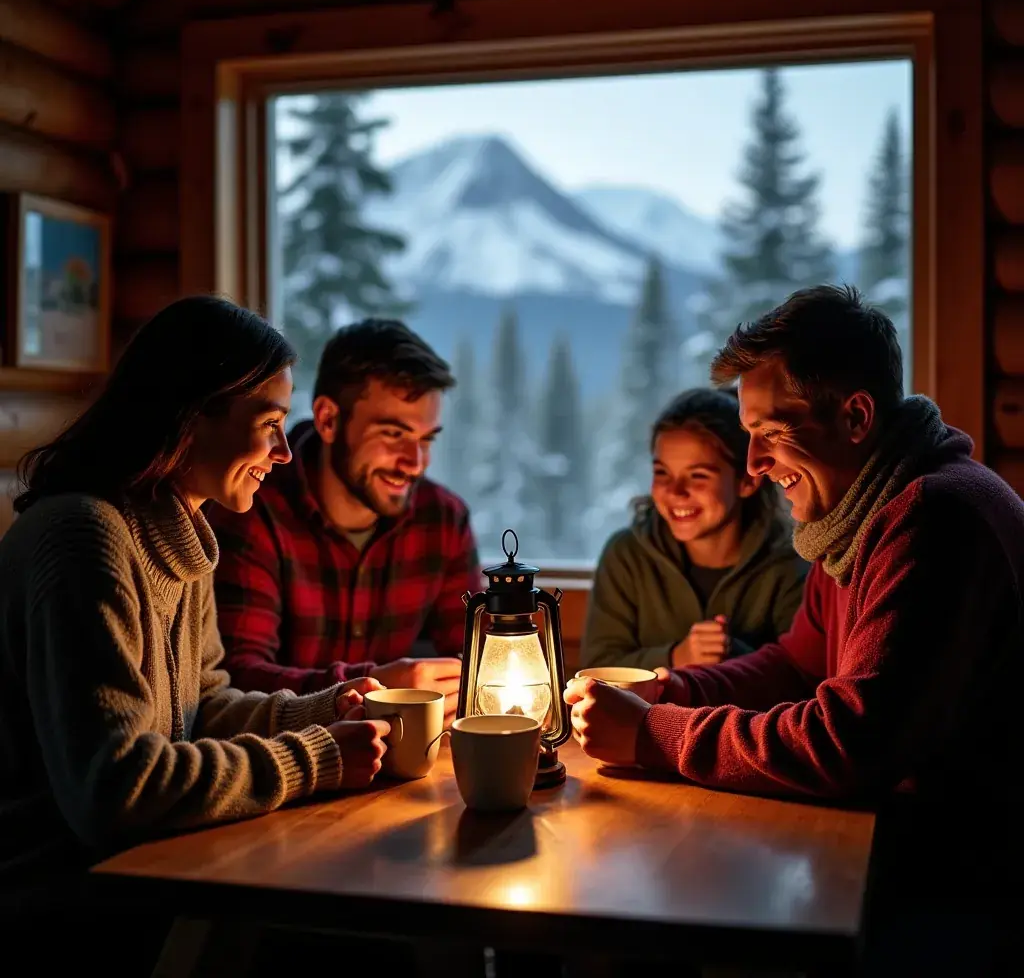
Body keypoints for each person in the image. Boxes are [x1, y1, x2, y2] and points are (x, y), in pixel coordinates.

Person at [565, 285, 1024, 972]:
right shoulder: (854, 518)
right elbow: (795, 664)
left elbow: (851, 742)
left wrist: (653, 735)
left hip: (968, 882)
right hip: (910, 854)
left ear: (857, 415)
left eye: (770, 433)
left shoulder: (933, 519)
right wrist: (670, 689)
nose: (754, 465)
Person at [0, 295, 391, 889]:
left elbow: (201, 711)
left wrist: (326, 708)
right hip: (61, 892)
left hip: (152, 870)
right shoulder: (84, 540)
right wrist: (318, 757)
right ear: (191, 414)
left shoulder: (177, 534)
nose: (285, 453)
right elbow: (115, 788)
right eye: (270, 424)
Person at [207, 319, 480, 725]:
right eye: (393, 434)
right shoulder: (252, 506)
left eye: (426, 439)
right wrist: (373, 686)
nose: (415, 462)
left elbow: (477, 655)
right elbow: (237, 682)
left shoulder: (442, 520)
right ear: (329, 419)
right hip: (282, 765)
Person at [580, 388, 806, 671]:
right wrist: (677, 658)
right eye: (662, 473)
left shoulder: (789, 564)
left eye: (698, 476)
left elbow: (802, 680)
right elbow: (597, 668)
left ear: (747, 482)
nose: (676, 491)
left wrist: (734, 655)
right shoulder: (626, 555)